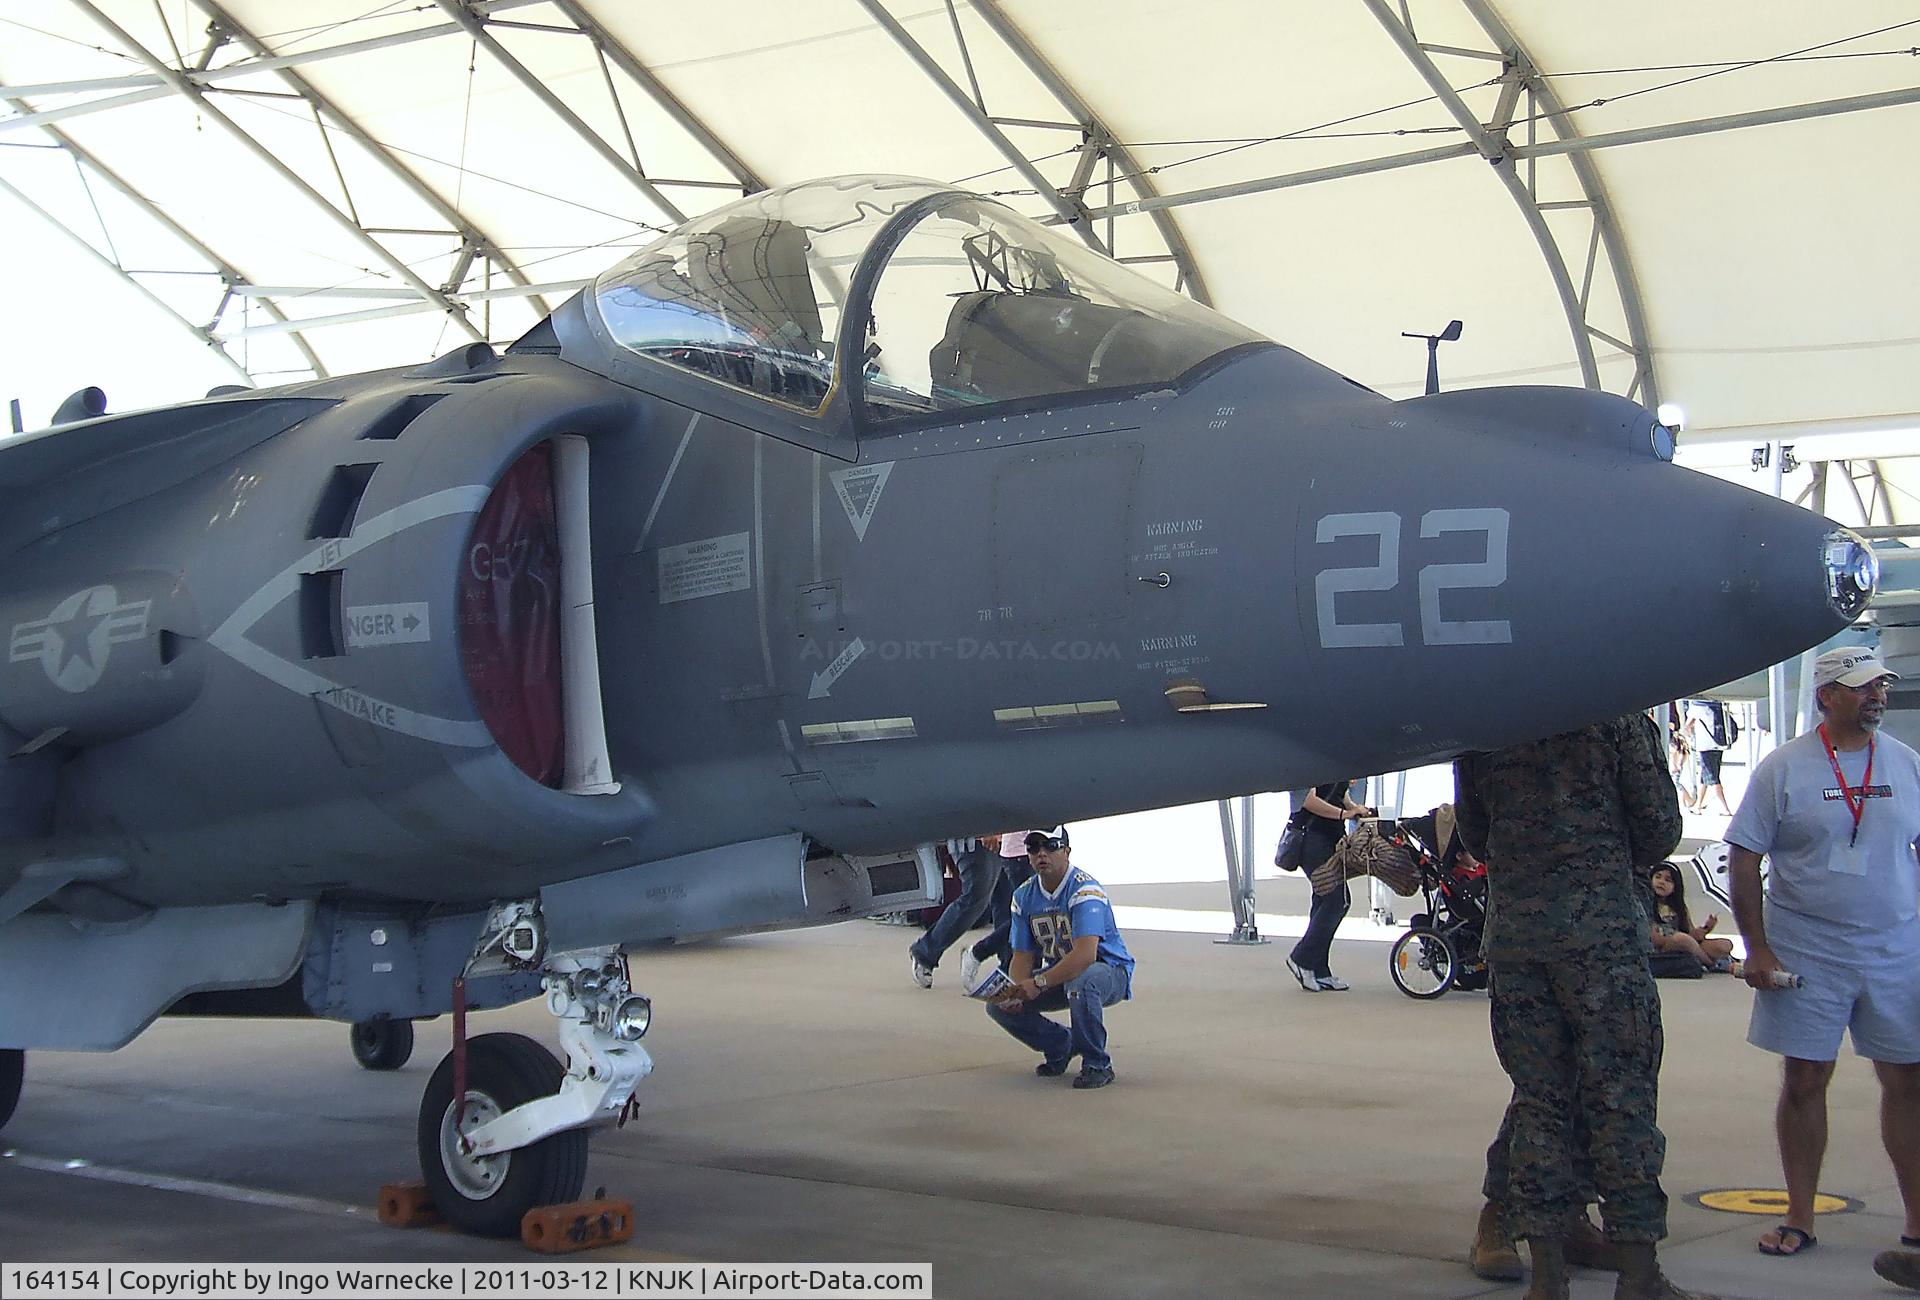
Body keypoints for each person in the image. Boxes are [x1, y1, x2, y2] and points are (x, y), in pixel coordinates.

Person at [1457, 715, 1718, 1300]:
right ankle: (1638, 1272)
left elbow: (1475, 833)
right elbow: (1658, 831)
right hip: (1599, 939)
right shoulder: (1616, 714)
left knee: (1539, 1103)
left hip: (1519, 940)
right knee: (1620, 1101)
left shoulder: (1486, 714)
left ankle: (1548, 1276)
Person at [1725, 648, 1920, 1267]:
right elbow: (1745, 857)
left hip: (1895, 944)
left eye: (1881, 686)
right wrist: (1756, 946)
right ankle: (1800, 1216)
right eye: (1863, 688)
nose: (1876, 697)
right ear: (1827, 696)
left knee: (1908, 1080)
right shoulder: (1784, 769)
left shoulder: (1906, 763)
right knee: (1806, 1079)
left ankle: (1918, 1226)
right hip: (1808, 947)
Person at [985, 827, 1135, 1090]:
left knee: (1082, 984)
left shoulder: (1086, 891)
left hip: (1108, 971)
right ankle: (1060, 1045)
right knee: (998, 1003)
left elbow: (1085, 955)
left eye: (1051, 846)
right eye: (1033, 847)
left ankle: (1097, 1063)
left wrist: (1040, 983)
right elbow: (1022, 955)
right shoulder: (1023, 896)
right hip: (1059, 974)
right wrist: (1018, 990)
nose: (1042, 853)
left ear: (1066, 851)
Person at [1284, 781, 1373, 992]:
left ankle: (1319, 970)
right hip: (1312, 838)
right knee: (1337, 899)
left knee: (1324, 899)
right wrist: (1345, 814)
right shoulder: (1311, 763)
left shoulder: (1338, 761)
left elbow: (1338, 794)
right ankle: (1302, 959)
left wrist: (1355, 809)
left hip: (1330, 837)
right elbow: (1308, 801)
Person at [909, 836, 1004, 989]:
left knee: (1009, 901)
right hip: (977, 833)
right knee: (975, 896)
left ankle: (1008, 967)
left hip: (1014, 837)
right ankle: (925, 952)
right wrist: (988, 829)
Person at [957, 831, 1040, 990]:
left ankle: (1009, 973)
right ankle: (979, 953)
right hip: (1021, 852)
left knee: (1030, 917)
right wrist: (990, 830)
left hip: (1044, 846)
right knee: (1030, 918)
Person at [1647, 863, 1737, 974]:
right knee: (1681, 939)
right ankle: (1711, 964)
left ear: (1675, 887)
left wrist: (1706, 929)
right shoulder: (1646, 904)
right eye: (1658, 877)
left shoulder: (1679, 908)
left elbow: (1691, 933)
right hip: (1662, 949)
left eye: (1668, 880)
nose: (1661, 882)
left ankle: (1706, 960)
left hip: (1686, 945)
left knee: (1725, 944)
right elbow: (1655, 940)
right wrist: (1685, 939)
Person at [1684, 699, 1732, 816]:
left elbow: (1687, 726)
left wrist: (1690, 737)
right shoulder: (1716, 705)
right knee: (1705, 776)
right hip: (1719, 744)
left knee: (1713, 778)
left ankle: (1725, 808)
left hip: (1705, 745)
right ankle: (1698, 805)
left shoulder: (1696, 706)